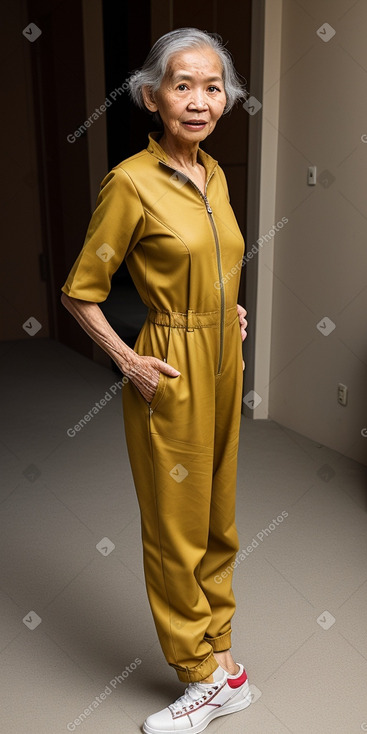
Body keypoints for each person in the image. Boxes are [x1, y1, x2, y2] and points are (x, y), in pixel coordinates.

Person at [61, 27, 250, 734]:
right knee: (176, 534)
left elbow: (215, 256)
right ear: (151, 96)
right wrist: (129, 360)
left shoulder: (214, 173)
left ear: (224, 99)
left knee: (218, 523)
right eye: (182, 85)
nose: (198, 101)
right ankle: (197, 676)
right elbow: (81, 290)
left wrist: (224, 306)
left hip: (222, 360)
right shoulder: (130, 183)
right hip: (167, 366)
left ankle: (224, 663)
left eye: (211, 87)